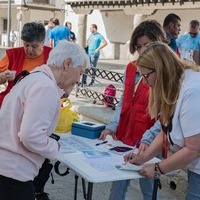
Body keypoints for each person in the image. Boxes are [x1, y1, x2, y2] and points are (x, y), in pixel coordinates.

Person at [0, 40, 90, 200]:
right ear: (67, 63)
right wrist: (55, 148)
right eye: (80, 72)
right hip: (14, 175)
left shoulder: (34, 78)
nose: (78, 80)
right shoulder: (45, 87)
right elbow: (30, 136)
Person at [99, 20, 168, 200]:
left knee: (149, 188)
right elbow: (123, 100)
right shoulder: (131, 67)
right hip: (124, 137)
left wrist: (149, 139)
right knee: (117, 187)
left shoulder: (163, 71)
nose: (142, 50)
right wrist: (112, 126)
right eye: (139, 46)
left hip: (148, 142)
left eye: (147, 45)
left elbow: (165, 116)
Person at [127, 41, 200, 200]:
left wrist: (158, 168)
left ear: (160, 70)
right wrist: (142, 158)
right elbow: (165, 130)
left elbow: (194, 148)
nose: (145, 82)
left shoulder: (192, 90)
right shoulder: (173, 85)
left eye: (146, 76)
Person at [0, 22, 52, 108]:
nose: (30, 50)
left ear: (43, 42)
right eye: (26, 45)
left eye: (34, 46)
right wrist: (3, 76)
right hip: (12, 104)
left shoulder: (52, 55)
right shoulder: (13, 55)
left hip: (42, 103)